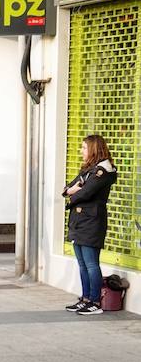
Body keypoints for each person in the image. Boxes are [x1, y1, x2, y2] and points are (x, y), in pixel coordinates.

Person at [62, 134, 116, 315]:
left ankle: (95, 301)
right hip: (79, 221)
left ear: (93, 149)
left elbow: (86, 193)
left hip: (92, 221)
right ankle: (85, 299)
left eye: (84, 148)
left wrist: (73, 193)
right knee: (82, 264)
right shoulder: (89, 169)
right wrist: (71, 191)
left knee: (92, 264)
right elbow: (68, 188)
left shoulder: (103, 171)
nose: (81, 151)